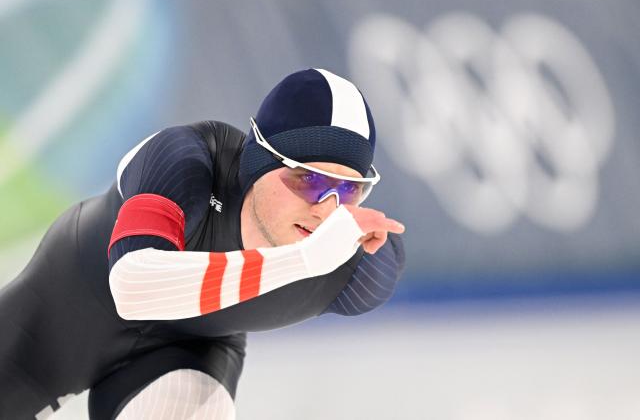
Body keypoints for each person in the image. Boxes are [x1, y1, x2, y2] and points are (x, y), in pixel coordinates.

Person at [0, 68, 406, 420]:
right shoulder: (187, 163)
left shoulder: (357, 268)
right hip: (56, 320)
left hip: (184, 355)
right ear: (258, 161)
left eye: (349, 189)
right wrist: (301, 260)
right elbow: (132, 286)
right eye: (308, 179)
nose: (325, 210)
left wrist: (313, 259)